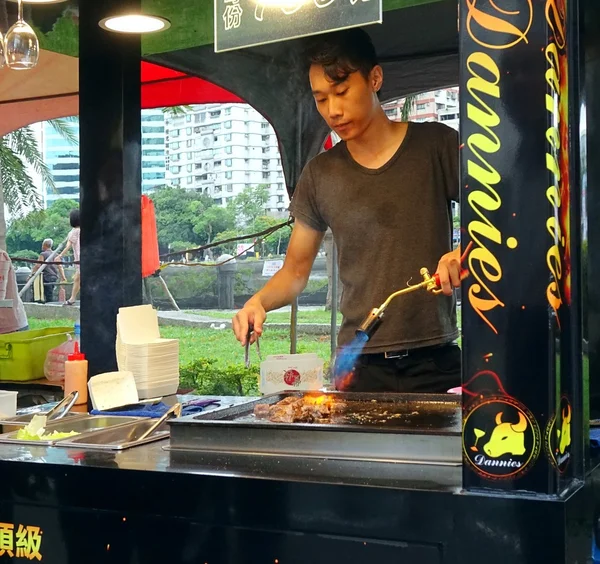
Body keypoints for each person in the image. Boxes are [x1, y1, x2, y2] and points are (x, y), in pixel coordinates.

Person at [232, 29, 462, 393]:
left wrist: (463, 252)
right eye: (321, 99)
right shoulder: (320, 174)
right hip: (358, 365)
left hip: (435, 361)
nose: (333, 111)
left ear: (375, 78)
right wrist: (258, 302)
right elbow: (294, 271)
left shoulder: (436, 146)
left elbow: (497, 216)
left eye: (341, 93)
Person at [30, 239, 66, 303]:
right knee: (50, 292)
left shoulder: (43, 254)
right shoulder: (56, 255)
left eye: (42, 245)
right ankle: (48, 304)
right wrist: (63, 276)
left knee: (41, 292)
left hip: (45, 277)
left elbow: (37, 265)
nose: (41, 246)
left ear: (44, 245)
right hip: (54, 277)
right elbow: (60, 266)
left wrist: (31, 275)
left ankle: (47, 305)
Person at [58, 209, 80, 306]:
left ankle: (72, 298)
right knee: (77, 278)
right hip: (85, 258)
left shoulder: (73, 232)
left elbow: (68, 245)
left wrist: (60, 255)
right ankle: (72, 298)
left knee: (77, 279)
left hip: (80, 259)